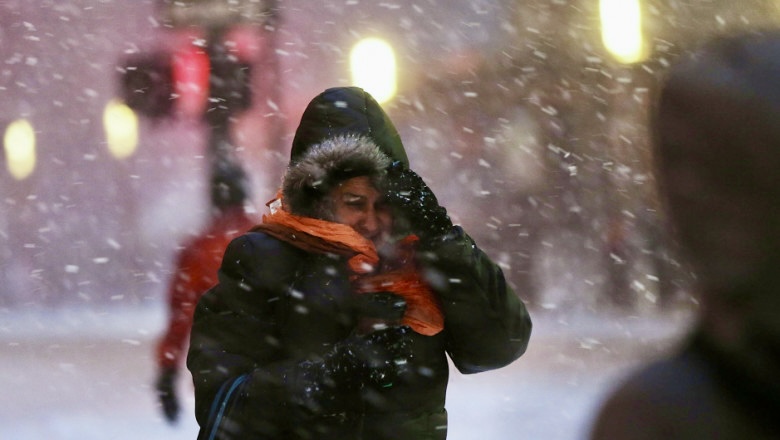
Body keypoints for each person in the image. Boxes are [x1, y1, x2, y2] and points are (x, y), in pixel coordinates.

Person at [186, 86, 533, 439]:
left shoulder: (414, 261)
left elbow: (501, 344)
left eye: (383, 203)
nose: (371, 220)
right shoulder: (263, 257)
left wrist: (444, 240)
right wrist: (337, 371)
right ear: (316, 197)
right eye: (354, 201)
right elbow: (223, 409)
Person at [590, 32, 780, 439]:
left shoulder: (665, 408)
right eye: (675, 164)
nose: (689, 194)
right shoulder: (657, 413)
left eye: (732, 165)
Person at [155, 160, 259, 423]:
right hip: (271, 369)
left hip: (218, 372)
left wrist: (167, 372)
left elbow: (180, 315)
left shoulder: (198, 251)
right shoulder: (269, 241)